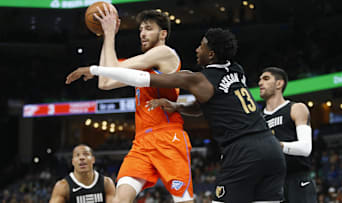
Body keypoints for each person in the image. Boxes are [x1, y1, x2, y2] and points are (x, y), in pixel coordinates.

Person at [66, 28, 286, 203]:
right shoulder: (237, 70)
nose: (196, 49)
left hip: (243, 151)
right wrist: (178, 107)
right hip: (271, 147)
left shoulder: (199, 79)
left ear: (211, 54)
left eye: (201, 46)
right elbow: (209, 105)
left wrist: (95, 70)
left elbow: (143, 79)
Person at [69, 6, 194, 203]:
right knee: (120, 199)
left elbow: (110, 69)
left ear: (163, 34)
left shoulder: (165, 53)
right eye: (140, 30)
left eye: (148, 28)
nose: (142, 34)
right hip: (141, 143)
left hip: (168, 138)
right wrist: (108, 37)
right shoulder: (142, 64)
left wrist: (109, 33)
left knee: (184, 200)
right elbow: (105, 82)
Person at [258, 67, 317, 203]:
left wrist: (276, 146)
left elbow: (306, 148)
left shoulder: (296, 108)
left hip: (297, 179)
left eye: (266, 79)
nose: (260, 83)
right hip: (271, 183)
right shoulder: (258, 120)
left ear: (279, 83)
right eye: (260, 80)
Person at [49, 144, 116, 203]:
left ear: (93, 159)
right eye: (77, 155)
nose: (81, 158)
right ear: (72, 162)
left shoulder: (106, 183)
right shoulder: (63, 186)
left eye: (86, 154)